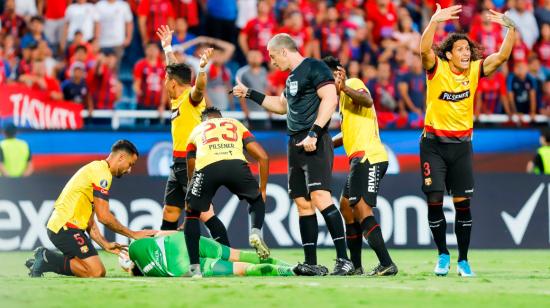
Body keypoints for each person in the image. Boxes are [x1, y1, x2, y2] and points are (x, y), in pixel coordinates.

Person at [232, 33, 354, 275]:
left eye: (273, 56)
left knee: (320, 198)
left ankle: (344, 260)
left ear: (285, 51)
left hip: (314, 140)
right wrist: (249, 93)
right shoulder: (291, 78)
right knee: (302, 204)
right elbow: (281, 106)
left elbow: (330, 99)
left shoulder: (315, 67)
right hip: (295, 142)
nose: (272, 61)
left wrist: (315, 132)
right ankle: (311, 263)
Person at [419, 4, 515, 277]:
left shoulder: (474, 70)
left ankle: (463, 260)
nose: (465, 53)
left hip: (461, 147)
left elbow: (503, 57)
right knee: (434, 199)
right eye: (459, 49)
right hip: (433, 144)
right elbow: (424, 49)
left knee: (462, 204)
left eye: (467, 50)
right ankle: (442, 255)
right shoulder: (436, 68)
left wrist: (510, 28)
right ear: (448, 54)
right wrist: (434, 22)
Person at [28, 140, 158, 278]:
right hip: (65, 227)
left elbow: (90, 221)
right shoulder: (102, 174)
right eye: (130, 164)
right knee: (96, 272)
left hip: (64, 226)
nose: (130, 170)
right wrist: (133, 234)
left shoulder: (97, 169)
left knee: (93, 270)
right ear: (121, 157)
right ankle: (46, 257)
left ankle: (46, 260)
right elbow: (104, 217)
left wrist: (105, 244)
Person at [323, 56, 398, 277]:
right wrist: (321, 140)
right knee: (346, 206)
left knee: (362, 209)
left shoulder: (353, 84)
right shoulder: (344, 104)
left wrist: (344, 86)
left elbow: (368, 100)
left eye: (325, 77)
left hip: (368, 156)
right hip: (359, 158)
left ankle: (386, 263)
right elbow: (346, 135)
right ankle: (355, 266)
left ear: (337, 73)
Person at [155, 25, 230, 247]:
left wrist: (203, 69)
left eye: (166, 80)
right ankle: (165, 254)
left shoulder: (191, 97)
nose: (163, 82)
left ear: (173, 84)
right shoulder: (176, 98)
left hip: (192, 163)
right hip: (177, 163)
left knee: (205, 212)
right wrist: (167, 47)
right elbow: (172, 68)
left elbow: (198, 89)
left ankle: (229, 255)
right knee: (170, 210)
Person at [183, 107, 270, 277]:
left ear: (204, 120)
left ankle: (195, 269)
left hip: (206, 167)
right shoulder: (235, 123)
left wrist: (194, 195)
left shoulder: (197, 130)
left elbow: (191, 166)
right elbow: (263, 157)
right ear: (220, 118)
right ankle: (255, 232)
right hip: (236, 164)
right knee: (256, 200)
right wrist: (263, 189)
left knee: (191, 213)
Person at [118, 231, 324, 277]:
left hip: (179, 266)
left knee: (242, 270)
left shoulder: (141, 264)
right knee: (240, 255)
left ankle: (292, 271)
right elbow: (161, 233)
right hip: (183, 239)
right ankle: (303, 265)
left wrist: (127, 265)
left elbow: (129, 266)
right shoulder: (139, 242)